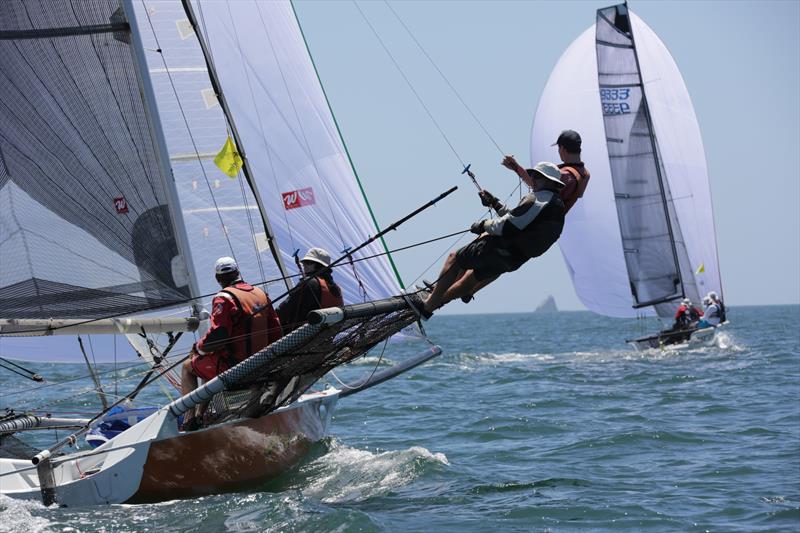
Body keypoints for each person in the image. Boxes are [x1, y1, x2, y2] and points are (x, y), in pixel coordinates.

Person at [421, 162, 566, 315]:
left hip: (501, 248)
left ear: (550, 181)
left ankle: (428, 305)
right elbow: (520, 221)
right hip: (515, 259)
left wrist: (483, 225)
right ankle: (437, 300)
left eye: (538, 176)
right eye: (533, 175)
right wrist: (495, 203)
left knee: (455, 259)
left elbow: (507, 227)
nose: (533, 178)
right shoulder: (556, 205)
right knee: (471, 280)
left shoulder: (537, 200)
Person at [181, 257, 282, 430]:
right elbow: (276, 331)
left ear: (218, 278)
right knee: (206, 361)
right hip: (261, 365)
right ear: (237, 272)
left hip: (234, 367)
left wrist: (198, 348)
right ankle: (200, 415)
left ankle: (188, 420)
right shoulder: (260, 293)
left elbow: (219, 334)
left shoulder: (224, 298)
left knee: (188, 366)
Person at [277, 247, 344, 334]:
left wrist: (270, 318)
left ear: (319, 266)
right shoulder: (336, 289)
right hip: (323, 338)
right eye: (304, 262)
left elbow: (285, 309)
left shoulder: (309, 283)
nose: (304, 265)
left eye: (308, 263)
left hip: (299, 336)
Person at [552, 129, 590, 213]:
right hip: (557, 222)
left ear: (562, 148)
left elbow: (536, 186)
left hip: (542, 221)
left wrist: (517, 168)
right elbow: (579, 194)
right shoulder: (586, 174)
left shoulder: (564, 174)